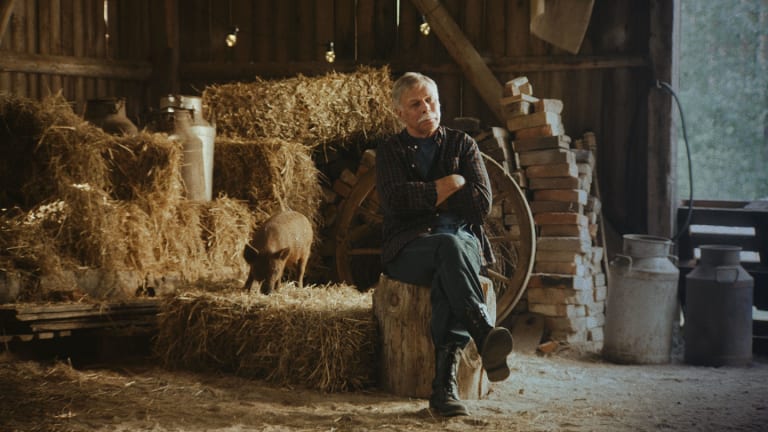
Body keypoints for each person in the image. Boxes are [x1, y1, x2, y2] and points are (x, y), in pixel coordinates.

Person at [375, 72, 514, 417]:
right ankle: (479, 336)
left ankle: (444, 391)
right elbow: (395, 201)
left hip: (462, 244)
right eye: (416, 104)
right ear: (399, 112)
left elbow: (481, 203)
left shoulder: (462, 144)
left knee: (450, 259)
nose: (426, 108)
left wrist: (427, 197)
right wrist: (449, 184)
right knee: (447, 251)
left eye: (431, 100)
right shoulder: (390, 151)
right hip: (408, 248)